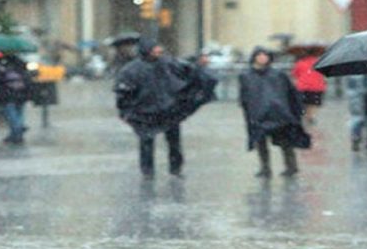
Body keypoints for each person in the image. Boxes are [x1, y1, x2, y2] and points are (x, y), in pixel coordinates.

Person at [114, 38, 217, 179]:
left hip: (169, 110)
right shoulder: (132, 70)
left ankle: (175, 169)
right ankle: (147, 171)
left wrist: (198, 68)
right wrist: (126, 111)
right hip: (145, 113)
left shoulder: (167, 63)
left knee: (174, 141)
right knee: (146, 142)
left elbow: (187, 70)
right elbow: (123, 93)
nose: (159, 51)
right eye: (155, 49)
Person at [239, 46, 310, 178]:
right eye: (259, 55)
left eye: (265, 55)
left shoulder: (278, 75)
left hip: (279, 113)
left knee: (285, 142)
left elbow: (290, 93)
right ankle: (265, 168)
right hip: (258, 114)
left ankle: (291, 167)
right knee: (261, 142)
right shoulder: (246, 76)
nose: (262, 58)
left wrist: (294, 110)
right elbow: (245, 96)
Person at [0, 54, 32, 144]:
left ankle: (16, 134)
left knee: (12, 116)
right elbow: (28, 79)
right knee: (18, 114)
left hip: (8, 96)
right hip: (21, 94)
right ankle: (16, 133)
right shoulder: (19, 64)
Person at [291, 50, 326, 125]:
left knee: (305, 103)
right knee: (314, 103)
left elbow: (295, 75)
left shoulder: (300, 63)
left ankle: (307, 116)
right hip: (317, 86)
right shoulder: (319, 62)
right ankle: (311, 116)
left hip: (303, 87)